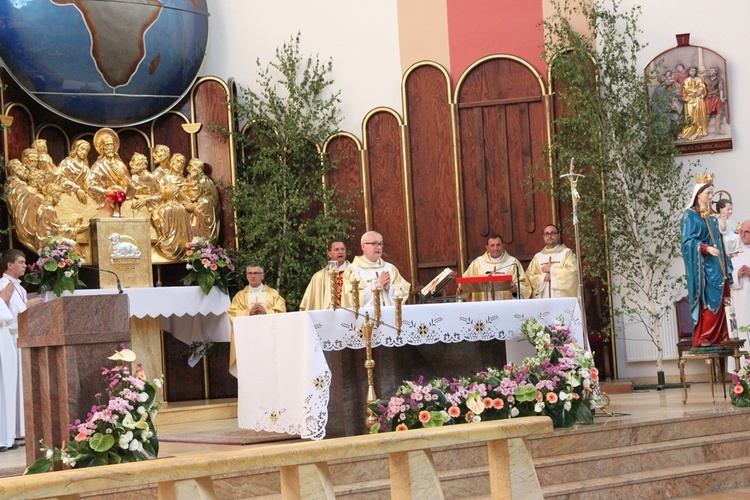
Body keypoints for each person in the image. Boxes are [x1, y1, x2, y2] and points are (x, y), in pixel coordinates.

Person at [681, 174, 733, 347]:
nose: (711, 197)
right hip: (704, 267)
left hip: (719, 264)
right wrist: (705, 248)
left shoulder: (711, 215)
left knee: (722, 298)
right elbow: (687, 241)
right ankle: (704, 336)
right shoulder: (690, 215)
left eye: (712, 193)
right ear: (698, 194)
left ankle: (722, 335)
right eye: (708, 194)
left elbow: (719, 237)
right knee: (708, 298)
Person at [0, 249, 44, 452]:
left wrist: (27, 308)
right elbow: (6, 316)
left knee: (17, 387)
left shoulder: (20, 288)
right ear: (9, 265)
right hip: (6, 339)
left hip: (17, 341)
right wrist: (25, 307)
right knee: (7, 387)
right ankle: (5, 436)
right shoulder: (2, 285)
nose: (25, 265)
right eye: (21, 262)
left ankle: (16, 431)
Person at [227, 264, 286, 376]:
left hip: (268, 339)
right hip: (248, 341)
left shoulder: (272, 294)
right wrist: (248, 313)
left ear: (262, 276)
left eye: (256, 273)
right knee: (251, 371)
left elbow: (282, 312)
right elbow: (232, 314)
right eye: (250, 273)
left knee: (268, 370)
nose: (253, 276)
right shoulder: (240, 296)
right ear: (246, 276)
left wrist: (266, 312)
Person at [341, 231, 411, 307]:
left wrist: (389, 288)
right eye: (374, 243)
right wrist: (377, 286)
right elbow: (351, 298)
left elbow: (404, 289)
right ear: (363, 247)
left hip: (390, 315)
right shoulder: (353, 270)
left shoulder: (390, 268)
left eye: (380, 244)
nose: (378, 247)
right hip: (367, 317)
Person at [463, 233, 531, 301]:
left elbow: (524, 285)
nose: (495, 248)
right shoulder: (477, 264)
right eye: (492, 245)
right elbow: (465, 284)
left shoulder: (513, 263)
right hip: (484, 307)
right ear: (487, 247)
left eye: (498, 245)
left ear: (502, 245)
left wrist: (516, 290)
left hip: (506, 306)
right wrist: (461, 290)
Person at [525, 224, 578, 299]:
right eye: (547, 234)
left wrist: (552, 270)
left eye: (553, 233)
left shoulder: (567, 253)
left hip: (561, 298)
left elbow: (573, 271)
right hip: (543, 298)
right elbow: (529, 276)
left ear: (558, 236)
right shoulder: (538, 257)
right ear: (543, 237)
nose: (549, 236)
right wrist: (543, 278)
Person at [299, 239, 350, 311]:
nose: (340, 252)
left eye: (342, 249)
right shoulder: (319, 277)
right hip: (327, 317)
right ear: (329, 253)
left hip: (349, 316)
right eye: (336, 249)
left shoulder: (354, 273)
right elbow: (309, 302)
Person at [87, 128, 131, 207]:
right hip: (103, 201)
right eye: (107, 145)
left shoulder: (121, 165)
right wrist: (105, 192)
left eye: (112, 144)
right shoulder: (98, 166)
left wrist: (123, 176)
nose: (110, 147)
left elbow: (131, 185)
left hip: (121, 199)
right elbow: (90, 186)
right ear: (102, 148)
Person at [183, 158, 220, 242]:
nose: (187, 169)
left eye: (190, 166)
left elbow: (208, 218)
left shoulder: (204, 182)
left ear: (198, 168)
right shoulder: (191, 178)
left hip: (204, 212)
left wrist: (194, 210)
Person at [678, 66, 708, 141]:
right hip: (690, 100)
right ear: (689, 72)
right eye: (691, 71)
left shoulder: (699, 79)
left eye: (694, 71)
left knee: (699, 115)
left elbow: (702, 87)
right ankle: (689, 131)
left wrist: (700, 91)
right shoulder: (686, 80)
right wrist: (695, 92)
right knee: (690, 116)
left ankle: (699, 131)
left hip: (698, 100)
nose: (693, 72)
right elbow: (686, 88)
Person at [57, 139, 91, 203]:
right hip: (67, 195)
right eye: (82, 149)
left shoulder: (86, 169)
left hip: (82, 198)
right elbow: (61, 179)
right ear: (76, 148)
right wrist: (77, 189)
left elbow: (88, 184)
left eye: (86, 151)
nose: (84, 152)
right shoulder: (67, 163)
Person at [731, 221, 750, 332]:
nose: (743, 235)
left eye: (747, 232)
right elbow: (726, 279)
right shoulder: (734, 253)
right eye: (741, 232)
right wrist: (736, 274)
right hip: (739, 298)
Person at [704, 66, 726, 135]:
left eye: (712, 71)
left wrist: (722, 98)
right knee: (707, 114)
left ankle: (717, 129)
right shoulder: (705, 78)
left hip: (716, 97)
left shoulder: (719, 79)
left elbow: (720, 89)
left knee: (720, 112)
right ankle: (704, 130)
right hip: (708, 98)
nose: (710, 72)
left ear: (716, 72)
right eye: (710, 70)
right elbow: (702, 88)